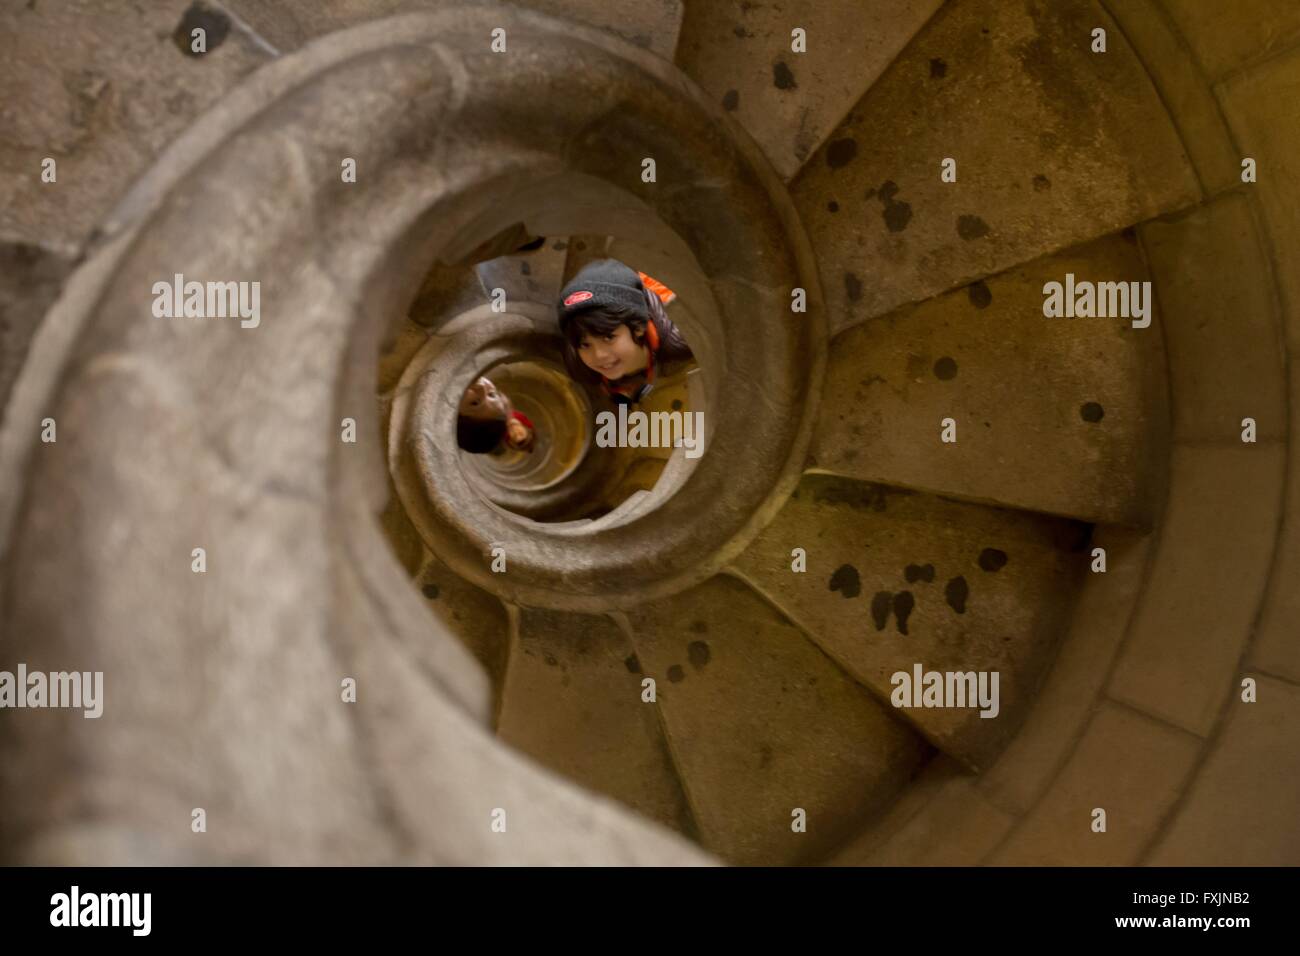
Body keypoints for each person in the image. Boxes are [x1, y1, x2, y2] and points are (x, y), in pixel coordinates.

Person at [556, 259, 694, 404]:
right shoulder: (579, 364)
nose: (599, 354)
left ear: (638, 327)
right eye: (585, 344)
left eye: (608, 337)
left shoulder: (682, 339)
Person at [456, 376, 535, 454]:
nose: (515, 432)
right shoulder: (521, 418)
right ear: (526, 429)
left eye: (475, 403)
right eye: (520, 433)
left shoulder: (498, 428)